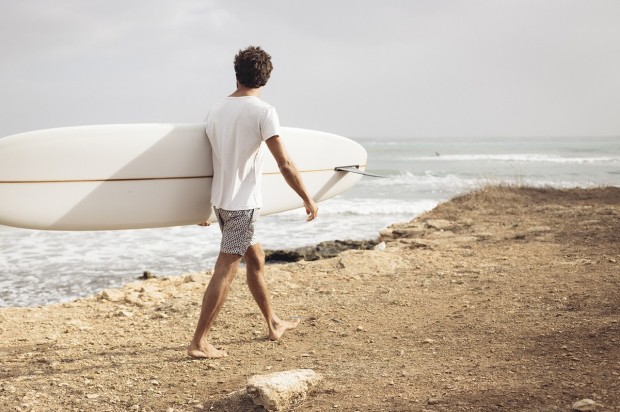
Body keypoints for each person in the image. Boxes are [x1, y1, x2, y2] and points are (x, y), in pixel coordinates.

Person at [188, 46, 319, 359]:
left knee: (256, 259)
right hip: (243, 206)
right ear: (266, 79)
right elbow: (284, 162)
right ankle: (199, 342)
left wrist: (203, 205)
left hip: (222, 203)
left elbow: (207, 161)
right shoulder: (263, 112)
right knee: (226, 269)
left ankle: (273, 323)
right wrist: (307, 197)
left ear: (237, 75)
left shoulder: (215, 109)